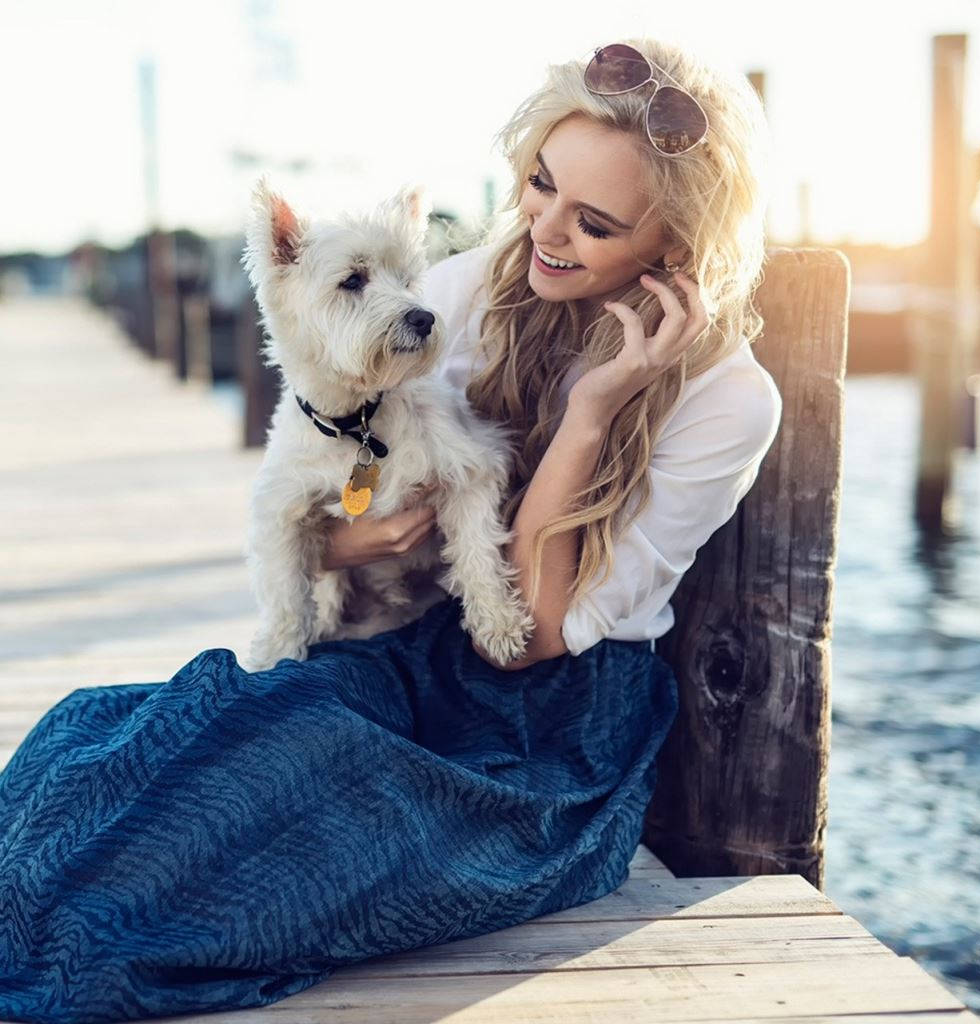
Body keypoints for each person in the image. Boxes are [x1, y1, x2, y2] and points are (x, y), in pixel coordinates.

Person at [0, 37, 781, 1023]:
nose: (544, 229)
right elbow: (346, 498)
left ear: (672, 246)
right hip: (413, 652)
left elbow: (533, 638)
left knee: (281, 783)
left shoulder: (726, 400)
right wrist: (345, 548)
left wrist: (589, 415)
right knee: (124, 736)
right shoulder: (461, 292)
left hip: (549, 736)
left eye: (593, 222)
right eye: (538, 185)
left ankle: (73, 960)